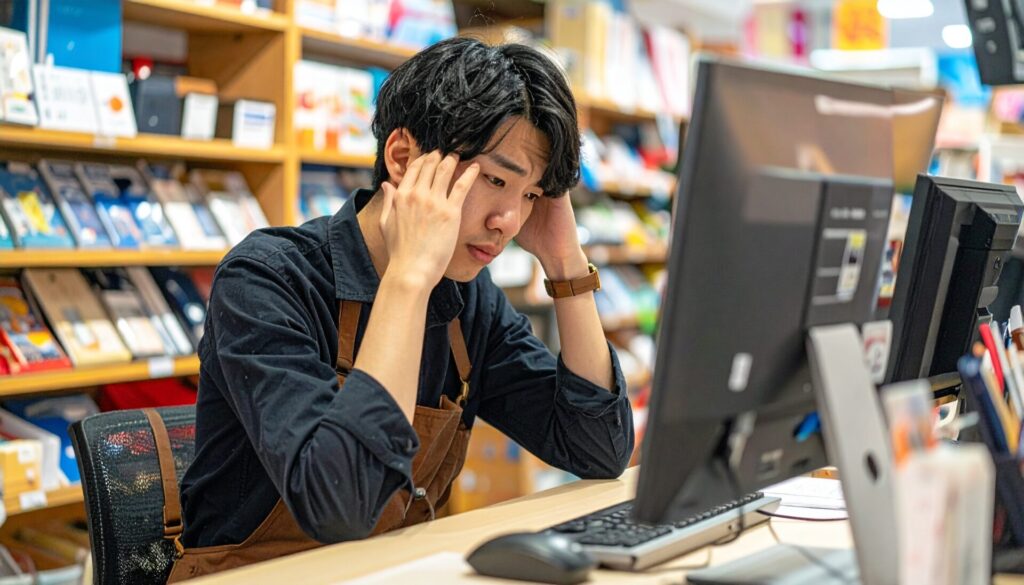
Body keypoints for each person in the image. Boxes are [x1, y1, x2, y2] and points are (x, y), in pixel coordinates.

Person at [167, 37, 635, 582]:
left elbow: (598, 449)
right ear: (403, 158)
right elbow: (340, 505)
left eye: (531, 196)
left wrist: (565, 264)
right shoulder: (267, 279)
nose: (508, 219)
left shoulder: (469, 298)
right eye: (497, 180)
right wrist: (409, 279)